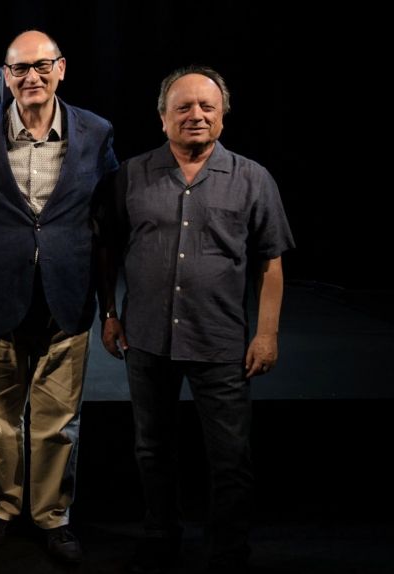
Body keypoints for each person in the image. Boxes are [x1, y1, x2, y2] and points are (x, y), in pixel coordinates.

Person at [97, 66, 294, 574]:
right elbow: (108, 250)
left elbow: (270, 262)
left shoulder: (253, 178)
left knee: (230, 456)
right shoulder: (130, 175)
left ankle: (227, 550)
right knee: (152, 449)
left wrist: (266, 333)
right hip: (146, 339)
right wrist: (110, 313)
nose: (196, 115)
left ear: (223, 115)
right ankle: (160, 535)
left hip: (220, 341)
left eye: (207, 106)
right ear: (162, 118)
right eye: (183, 107)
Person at [0, 30, 117, 563]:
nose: (31, 77)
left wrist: (110, 305)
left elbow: (107, 221)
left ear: (60, 69)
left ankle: (53, 515)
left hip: (66, 296)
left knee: (58, 419)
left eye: (41, 66)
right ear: (5, 76)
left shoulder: (96, 132)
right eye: (19, 69)